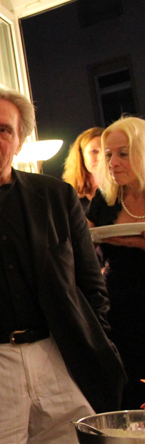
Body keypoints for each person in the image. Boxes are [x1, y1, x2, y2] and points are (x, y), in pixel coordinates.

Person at [0, 86, 126, 444]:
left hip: (59, 356)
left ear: (18, 142)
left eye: (4, 130)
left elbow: (91, 285)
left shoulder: (55, 196)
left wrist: (96, 339)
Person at [86, 116, 145, 410]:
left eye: (123, 153)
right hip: (118, 308)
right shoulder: (106, 198)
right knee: (128, 393)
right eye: (109, 155)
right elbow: (84, 238)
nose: (113, 162)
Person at [62, 126, 104, 209]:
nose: (101, 157)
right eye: (94, 151)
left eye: (107, 151)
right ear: (81, 156)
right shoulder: (69, 198)